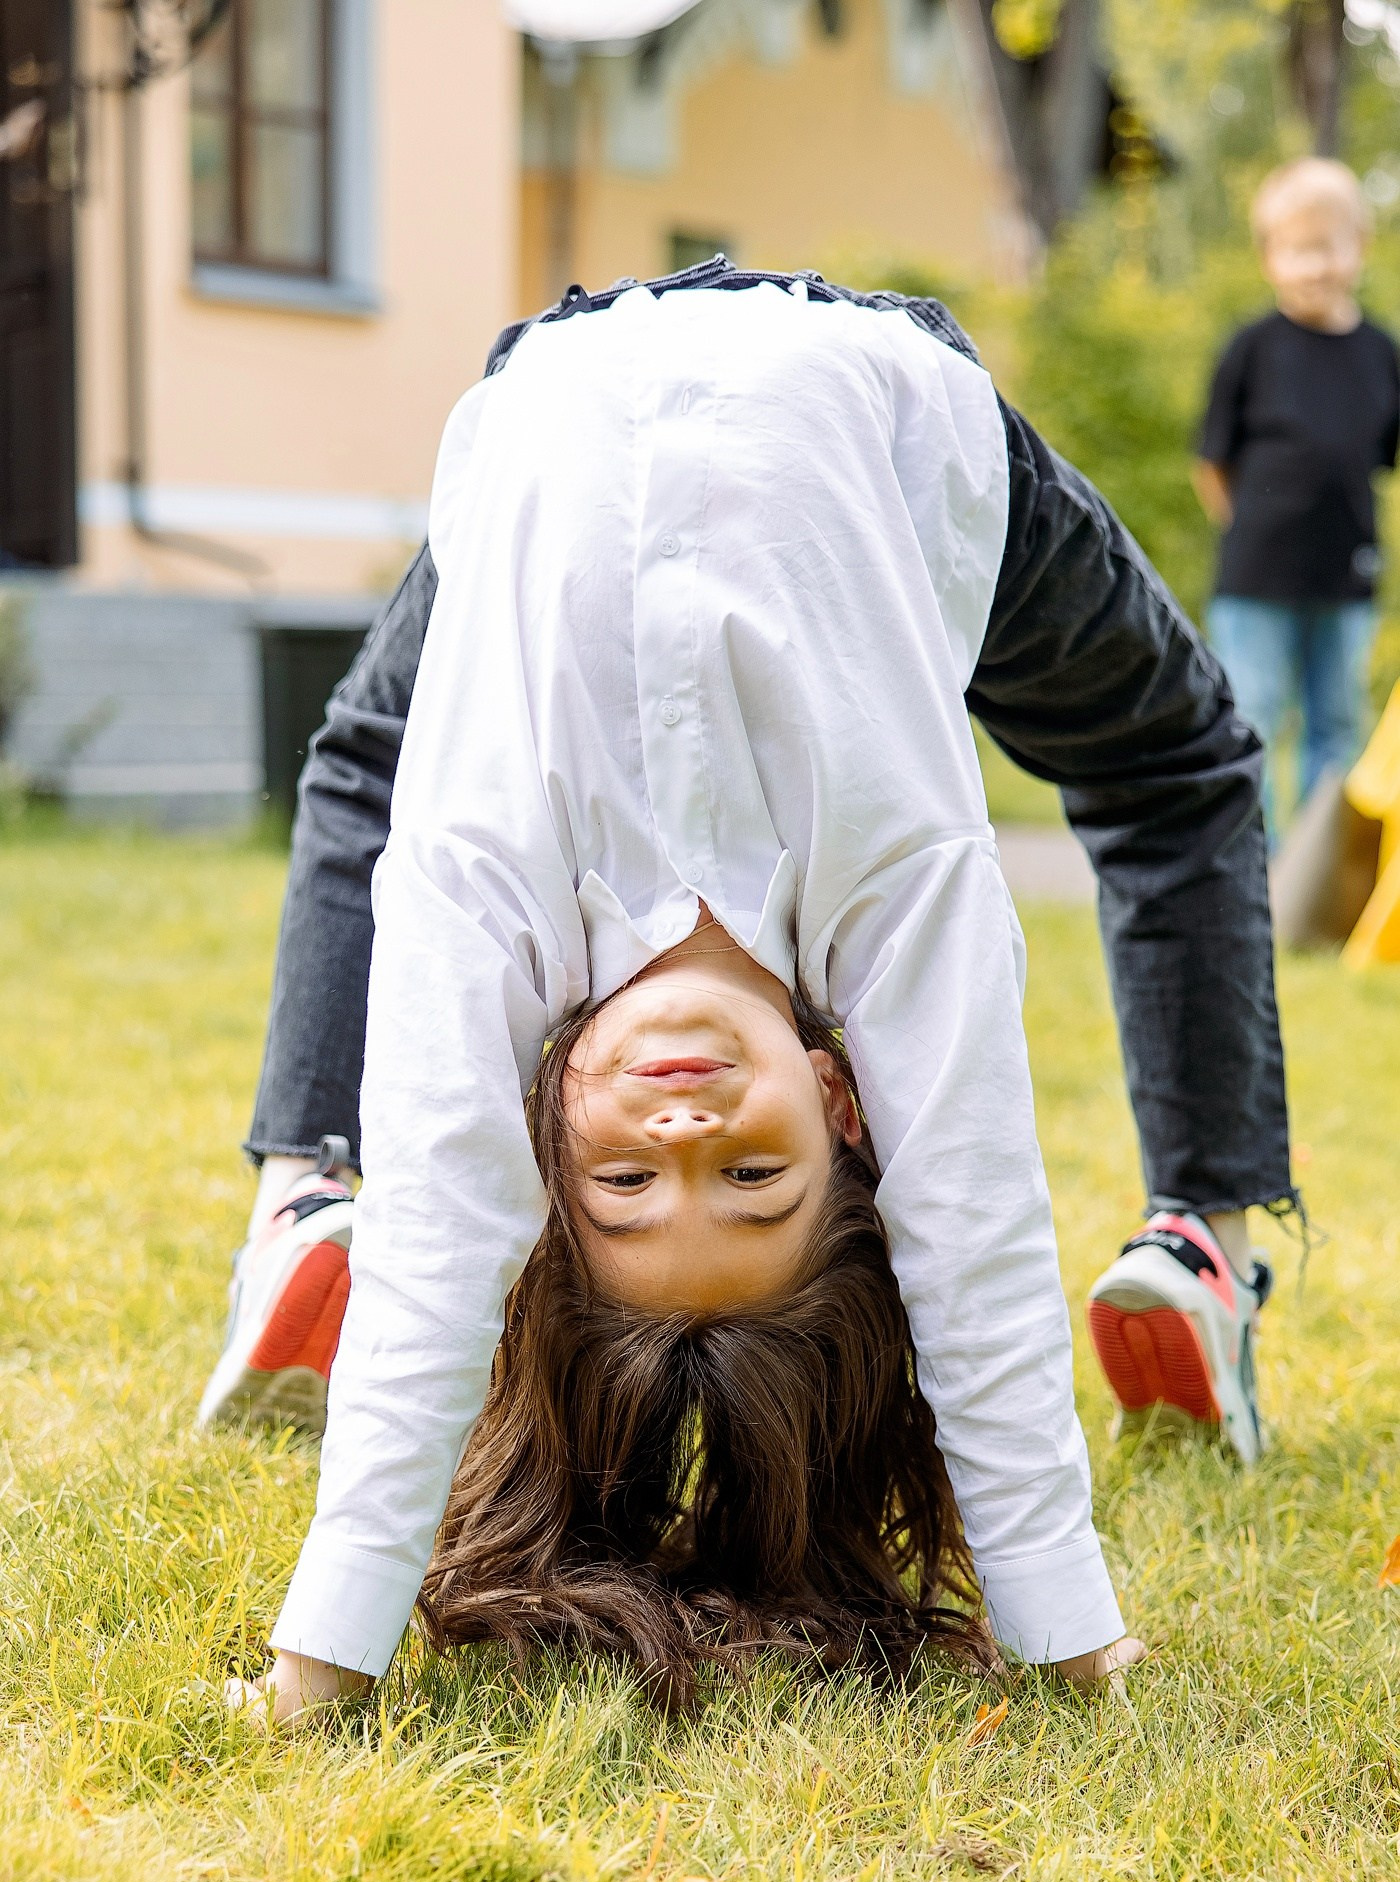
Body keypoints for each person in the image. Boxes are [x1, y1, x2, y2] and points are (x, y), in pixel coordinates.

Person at [203, 261, 1297, 1723]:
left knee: (367, 778)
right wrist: (1064, 1628)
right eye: (753, 1177)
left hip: (563, 374)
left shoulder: (475, 883)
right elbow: (967, 1219)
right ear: (845, 1104)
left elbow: (441, 1235)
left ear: (546, 1145)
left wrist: (321, 1662)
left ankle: (304, 1194)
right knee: (1179, 766)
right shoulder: (899, 883)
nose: (684, 1132)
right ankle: (1205, 1244)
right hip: (879, 403)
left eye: (625, 1185)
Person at [1194, 157, 1400, 837]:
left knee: (1337, 722)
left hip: (1347, 576)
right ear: (1270, 257)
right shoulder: (1251, 348)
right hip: (1257, 577)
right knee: (1251, 715)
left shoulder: (1381, 353)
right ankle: (1254, 865)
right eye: (1297, 250)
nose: (1314, 266)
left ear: (1360, 246)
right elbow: (1211, 464)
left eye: (1328, 247)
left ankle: (1319, 871)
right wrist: (1252, 531)